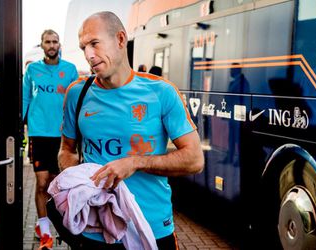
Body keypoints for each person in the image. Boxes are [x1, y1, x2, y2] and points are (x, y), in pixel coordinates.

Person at [58, 11, 204, 249]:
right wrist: (76, 179)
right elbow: (66, 149)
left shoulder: (161, 92)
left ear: (120, 39)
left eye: (94, 43)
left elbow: (194, 159)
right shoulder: (77, 93)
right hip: (94, 229)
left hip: (152, 226)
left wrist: (135, 162)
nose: (88, 55)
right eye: (83, 47)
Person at [22, 29, 78, 249]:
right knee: (42, 183)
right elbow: (25, 99)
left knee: (58, 184)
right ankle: (45, 231)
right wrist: (20, 128)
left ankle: (61, 226)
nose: (52, 45)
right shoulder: (33, 70)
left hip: (63, 136)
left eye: (55, 41)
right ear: (42, 44)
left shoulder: (70, 69)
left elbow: (75, 103)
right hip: (38, 134)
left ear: (59, 44)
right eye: (48, 41)